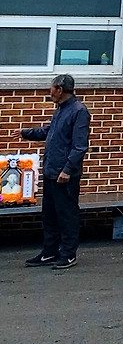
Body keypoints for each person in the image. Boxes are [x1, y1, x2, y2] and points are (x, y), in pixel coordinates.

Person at [20, 73, 91, 270]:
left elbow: (80, 146)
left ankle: (68, 254)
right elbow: (49, 131)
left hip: (65, 175)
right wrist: (26, 133)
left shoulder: (79, 111)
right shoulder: (60, 109)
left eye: (51, 88)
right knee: (49, 215)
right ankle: (50, 251)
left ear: (60, 89)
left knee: (67, 215)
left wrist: (67, 169)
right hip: (51, 171)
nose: (49, 92)